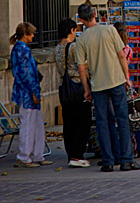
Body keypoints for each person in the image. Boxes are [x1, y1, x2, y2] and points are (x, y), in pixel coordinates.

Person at [75, 4, 140, 173]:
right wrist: (127, 77)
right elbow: (121, 54)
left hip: (98, 85)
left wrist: (86, 88)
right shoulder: (109, 30)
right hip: (116, 80)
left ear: (81, 20)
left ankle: (108, 160)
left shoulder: (82, 39)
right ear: (96, 14)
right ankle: (127, 159)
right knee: (122, 120)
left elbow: (81, 67)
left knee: (102, 122)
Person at [9, 22, 53, 168]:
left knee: (35, 123)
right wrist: (34, 91)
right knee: (29, 124)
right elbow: (26, 74)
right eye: (31, 33)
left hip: (27, 91)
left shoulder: (20, 49)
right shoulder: (22, 50)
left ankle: (34, 154)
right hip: (27, 92)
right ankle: (26, 155)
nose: (33, 36)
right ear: (25, 34)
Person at [55, 18, 92, 167]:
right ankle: (78, 154)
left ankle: (71, 154)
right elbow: (82, 65)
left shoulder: (57, 48)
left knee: (68, 123)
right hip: (77, 87)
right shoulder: (74, 47)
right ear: (72, 30)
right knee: (82, 122)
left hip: (64, 88)